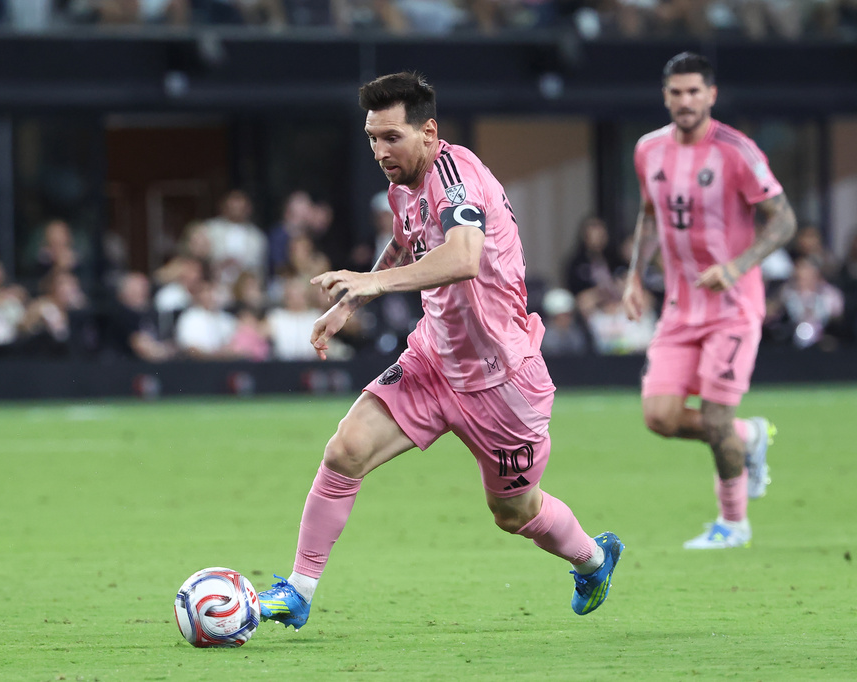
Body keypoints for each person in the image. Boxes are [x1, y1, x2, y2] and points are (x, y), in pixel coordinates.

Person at [256, 72, 624, 631]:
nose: (380, 151)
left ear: (429, 132)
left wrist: (371, 283)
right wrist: (348, 306)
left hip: (503, 383)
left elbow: (462, 258)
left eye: (392, 137)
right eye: (372, 138)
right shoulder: (403, 183)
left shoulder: (457, 177)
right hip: (434, 358)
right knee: (344, 451)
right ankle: (299, 591)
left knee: (513, 512)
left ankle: (594, 561)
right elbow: (405, 240)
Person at [622, 52, 798, 550]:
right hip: (681, 308)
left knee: (716, 417)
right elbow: (649, 215)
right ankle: (751, 437)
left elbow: (784, 221)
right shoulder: (648, 150)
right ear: (665, 96)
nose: (685, 101)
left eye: (695, 91)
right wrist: (635, 276)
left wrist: (738, 266)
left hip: (733, 307)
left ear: (711, 95)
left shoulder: (737, 151)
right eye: (676, 92)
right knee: (660, 417)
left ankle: (733, 523)